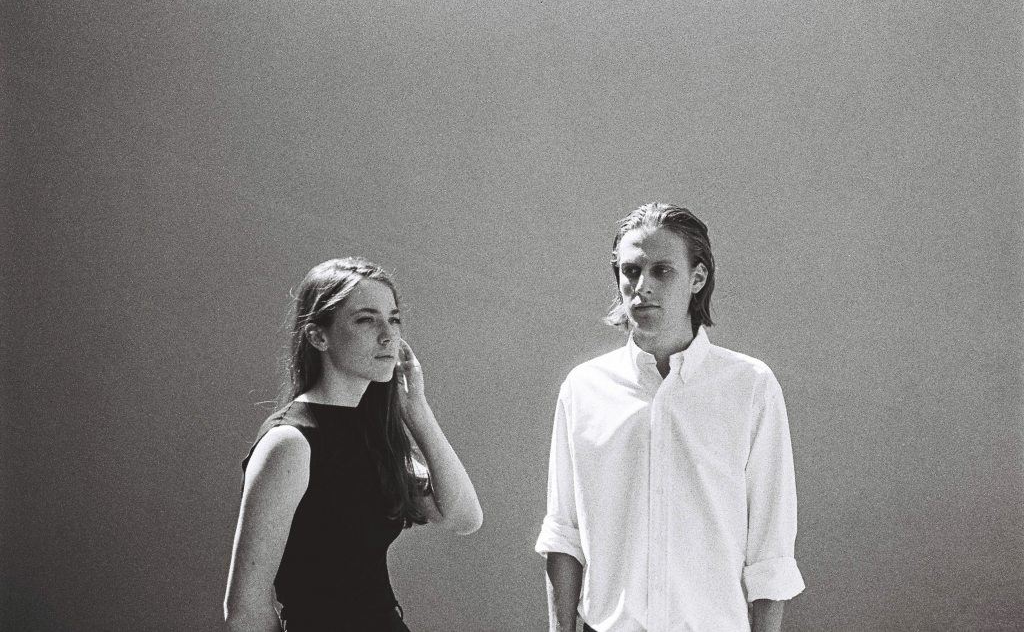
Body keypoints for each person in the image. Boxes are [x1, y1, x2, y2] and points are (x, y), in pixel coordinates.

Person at [536, 203, 805, 632]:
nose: (642, 286)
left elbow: (770, 552)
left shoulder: (750, 387)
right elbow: (564, 536)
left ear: (698, 278)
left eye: (662, 271)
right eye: (630, 271)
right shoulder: (583, 389)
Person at [225, 258, 483, 632]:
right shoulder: (290, 443)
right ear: (318, 337)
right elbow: (245, 610)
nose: (388, 335)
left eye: (394, 319)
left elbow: (464, 518)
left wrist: (417, 409)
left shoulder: (374, 433)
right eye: (366, 320)